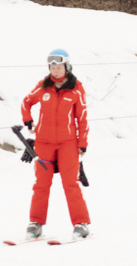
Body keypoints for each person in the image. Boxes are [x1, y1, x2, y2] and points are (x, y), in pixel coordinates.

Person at [21, 48, 90, 239]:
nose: (56, 70)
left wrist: (82, 143)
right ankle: (36, 223)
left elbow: (82, 119)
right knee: (41, 185)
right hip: (44, 144)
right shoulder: (42, 86)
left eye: (59, 66)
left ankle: (81, 224)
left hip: (68, 144)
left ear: (66, 66)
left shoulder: (76, 88)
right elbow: (26, 102)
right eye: (52, 67)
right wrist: (28, 121)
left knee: (71, 184)